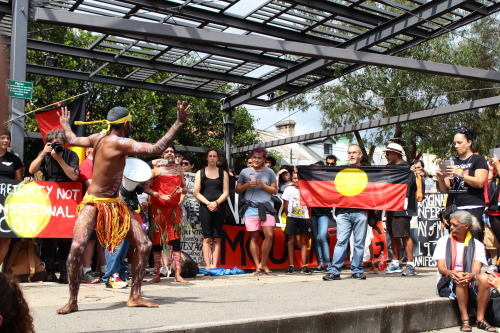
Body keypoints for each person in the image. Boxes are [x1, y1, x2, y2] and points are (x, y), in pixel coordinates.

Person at [55, 101, 191, 314]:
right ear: (125, 124)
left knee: (144, 244)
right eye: (130, 122)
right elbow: (156, 148)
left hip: (116, 204)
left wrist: (65, 124)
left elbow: (71, 139)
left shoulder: (96, 138)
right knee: (77, 246)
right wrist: (178, 123)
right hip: (93, 203)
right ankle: (73, 300)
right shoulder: (121, 142)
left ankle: (135, 296)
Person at [29, 129, 80, 284]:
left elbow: (74, 176)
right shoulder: (44, 153)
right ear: (48, 143)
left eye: (60, 142)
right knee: (48, 235)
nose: (58, 145)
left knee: (66, 235)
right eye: (54, 143)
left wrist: (59, 159)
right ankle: (49, 270)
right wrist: (43, 153)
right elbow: (31, 170)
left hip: (67, 197)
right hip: (49, 197)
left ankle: (64, 271)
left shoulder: (71, 155)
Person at [432, 211, 495, 332]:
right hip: (448, 279)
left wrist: (471, 275)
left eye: (455, 225)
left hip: (469, 278)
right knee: (461, 276)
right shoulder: (444, 241)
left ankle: (480, 319)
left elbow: (476, 269)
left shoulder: (477, 244)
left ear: (466, 226)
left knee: (484, 278)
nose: (451, 228)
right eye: (451, 224)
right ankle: (465, 319)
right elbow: (441, 268)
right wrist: (452, 273)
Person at [323, 144, 368, 281]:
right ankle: (335, 270)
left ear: (360, 155)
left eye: (354, 152)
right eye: (349, 153)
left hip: (361, 211)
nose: (351, 155)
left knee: (359, 243)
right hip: (343, 211)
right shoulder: (341, 171)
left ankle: (357, 270)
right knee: (341, 241)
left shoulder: (368, 171)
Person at [145, 146, 189, 283]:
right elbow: (146, 188)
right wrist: (159, 195)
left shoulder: (178, 170)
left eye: (172, 151)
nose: (170, 153)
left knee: (176, 241)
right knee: (157, 241)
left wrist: (181, 192)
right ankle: (157, 274)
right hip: (158, 210)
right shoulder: (155, 170)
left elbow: (185, 189)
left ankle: (178, 274)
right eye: (167, 151)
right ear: (162, 154)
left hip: (174, 210)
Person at [436, 129, 488, 241]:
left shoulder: (478, 160)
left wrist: (459, 174)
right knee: (455, 243)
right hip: (455, 208)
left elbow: (480, 182)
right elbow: (447, 189)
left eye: (459, 143)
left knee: (472, 241)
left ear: (469, 142)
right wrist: (441, 179)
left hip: (473, 207)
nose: (456, 146)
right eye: (454, 143)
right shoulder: (453, 162)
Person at [236, 147, 278, 275]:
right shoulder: (244, 172)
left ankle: (263, 263)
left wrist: (263, 186)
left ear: (264, 159)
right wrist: (247, 185)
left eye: (259, 158)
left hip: (266, 207)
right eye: (254, 157)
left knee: (269, 235)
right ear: (251, 158)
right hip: (251, 207)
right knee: (253, 237)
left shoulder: (269, 172)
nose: (256, 160)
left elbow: (275, 191)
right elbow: (238, 190)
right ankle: (257, 266)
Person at [383, 142, 418, 276]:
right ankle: (395, 262)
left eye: (388, 153)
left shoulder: (406, 168)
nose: (386, 156)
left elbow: (411, 186)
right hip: (390, 205)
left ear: (396, 153)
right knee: (392, 234)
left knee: (404, 234)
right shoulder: (388, 168)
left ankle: (410, 265)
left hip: (402, 206)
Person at [194, 149, 229, 269]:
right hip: (205, 206)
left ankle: (215, 265)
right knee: (207, 237)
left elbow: (226, 192)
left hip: (219, 207)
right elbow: (196, 192)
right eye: (210, 156)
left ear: (218, 158)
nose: (212, 158)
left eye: (214, 156)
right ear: (207, 158)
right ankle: (208, 265)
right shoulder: (200, 172)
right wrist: (208, 203)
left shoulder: (223, 173)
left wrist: (216, 203)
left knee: (217, 237)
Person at [79, 147, 107, 284]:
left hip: (102, 206)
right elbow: (91, 186)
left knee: (101, 240)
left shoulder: (100, 164)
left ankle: (105, 270)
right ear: (87, 150)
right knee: (90, 240)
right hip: (90, 206)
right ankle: (86, 271)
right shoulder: (86, 164)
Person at [0, 128, 23, 267]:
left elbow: (18, 182)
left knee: (6, 238)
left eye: (7, 138)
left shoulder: (14, 159)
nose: (5, 141)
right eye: (2, 138)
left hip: (7, 204)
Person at [283, 172, 312, 274]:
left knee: (304, 241)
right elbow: (285, 204)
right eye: (294, 178)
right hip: (292, 218)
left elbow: (309, 204)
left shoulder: (306, 190)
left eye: (298, 178)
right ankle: (291, 265)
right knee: (291, 240)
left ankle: (304, 265)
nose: (296, 180)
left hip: (304, 218)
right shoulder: (288, 189)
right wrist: (289, 216)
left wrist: (307, 217)